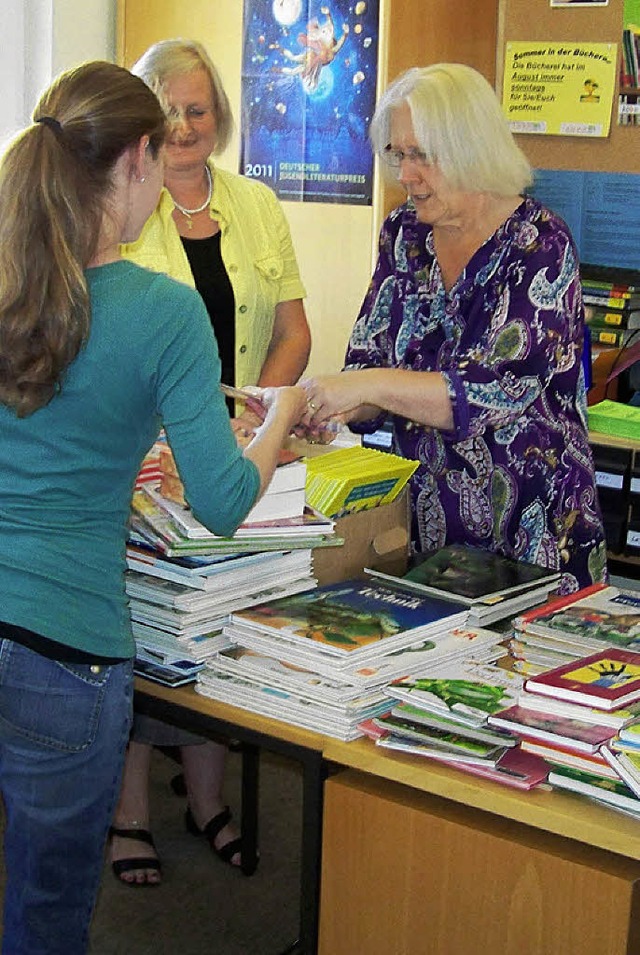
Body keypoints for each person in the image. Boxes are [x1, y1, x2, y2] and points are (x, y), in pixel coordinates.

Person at [0, 60, 307, 954]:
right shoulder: (164, 312)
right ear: (137, 161)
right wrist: (278, 422)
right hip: (65, 653)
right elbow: (219, 501)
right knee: (45, 916)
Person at [111, 37, 311, 886]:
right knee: (144, 629)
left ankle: (209, 800)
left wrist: (250, 418)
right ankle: (128, 817)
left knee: (223, 623)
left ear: (218, 116)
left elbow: (294, 330)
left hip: (240, 452)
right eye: (167, 109)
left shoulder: (258, 205)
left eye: (198, 108)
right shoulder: (124, 204)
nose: (184, 125)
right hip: (146, 466)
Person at [301, 63, 608, 596]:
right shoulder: (404, 234)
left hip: (533, 536)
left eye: (422, 154)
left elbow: (486, 392)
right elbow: (369, 358)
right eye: (398, 154)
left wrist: (367, 386)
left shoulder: (539, 245)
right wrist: (326, 406)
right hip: (424, 535)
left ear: (472, 148)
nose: (406, 174)